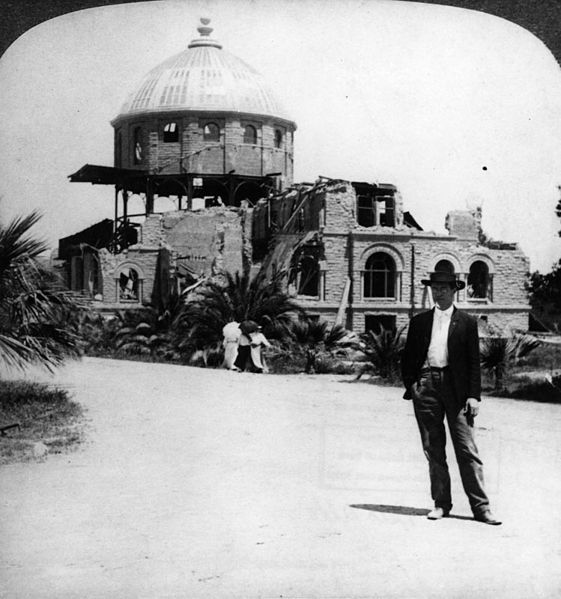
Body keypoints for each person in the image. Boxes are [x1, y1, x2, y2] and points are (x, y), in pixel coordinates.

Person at [401, 271, 501, 525]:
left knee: (467, 449)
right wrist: (413, 385)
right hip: (426, 387)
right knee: (433, 448)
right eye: (435, 287)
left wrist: (473, 396)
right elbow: (408, 356)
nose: (439, 292)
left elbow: (473, 363)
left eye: (444, 287)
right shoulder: (420, 321)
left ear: (454, 290)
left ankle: (482, 509)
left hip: (457, 390)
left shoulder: (466, 322)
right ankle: (441, 504)